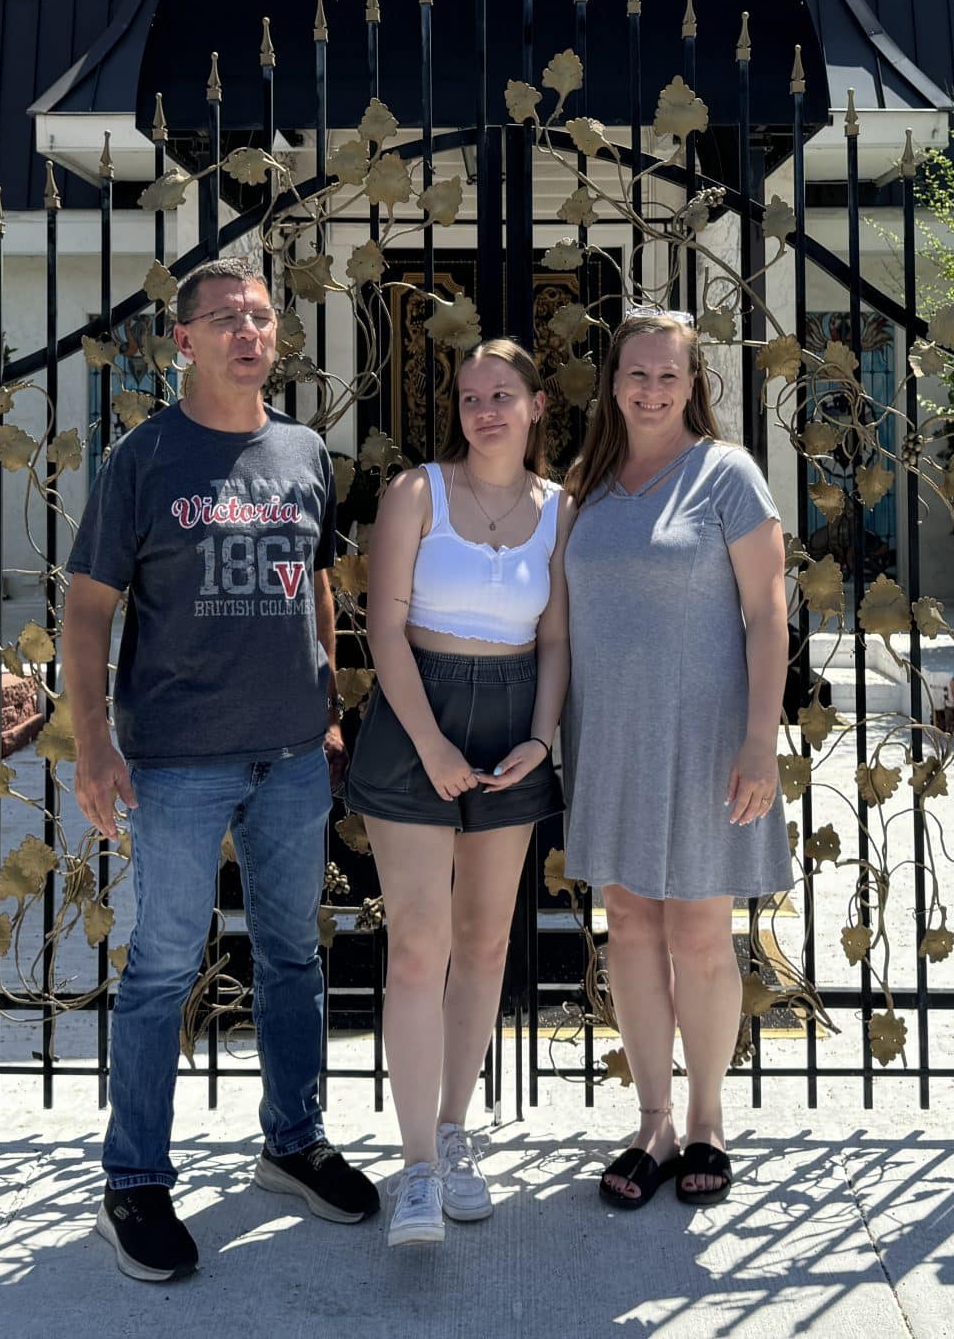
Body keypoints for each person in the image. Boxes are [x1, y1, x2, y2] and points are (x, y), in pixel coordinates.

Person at [64, 257, 380, 1284]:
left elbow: (317, 583)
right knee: (162, 968)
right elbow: (87, 607)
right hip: (178, 760)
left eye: (261, 317)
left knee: (292, 956)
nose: (249, 332)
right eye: (226, 319)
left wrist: (327, 701)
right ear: (183, 341)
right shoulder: (143, 458)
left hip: (291, 756)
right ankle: (134, 1183)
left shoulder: (303, 452)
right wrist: (96, 742)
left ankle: (293, 1143)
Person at [558, 308, 790, 1210]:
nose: (651, 389)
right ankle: (651, 1123)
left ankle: (705, 1121)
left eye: (669, 374)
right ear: (612, 382)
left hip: (705, 737)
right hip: (610, 737)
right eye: (635, 374)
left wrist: (761, 741)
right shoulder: (588, 484)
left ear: (695, 384)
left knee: (700, 934)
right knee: (632, 929)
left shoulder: (726, 475)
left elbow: (768, 614)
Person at [342, 339, 568, 1247]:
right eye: (472, 397)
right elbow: (382, 628)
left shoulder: (562, 510)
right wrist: (430, 741)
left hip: (513, 720)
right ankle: (417, 1175)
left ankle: (454, 1130)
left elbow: (556, 641)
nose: (486, 411)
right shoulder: (416, 494)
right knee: (417, 948)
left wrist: (541, 740)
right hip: (415, 717)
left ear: (537, 406)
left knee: (484, 943)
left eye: (503, 395)